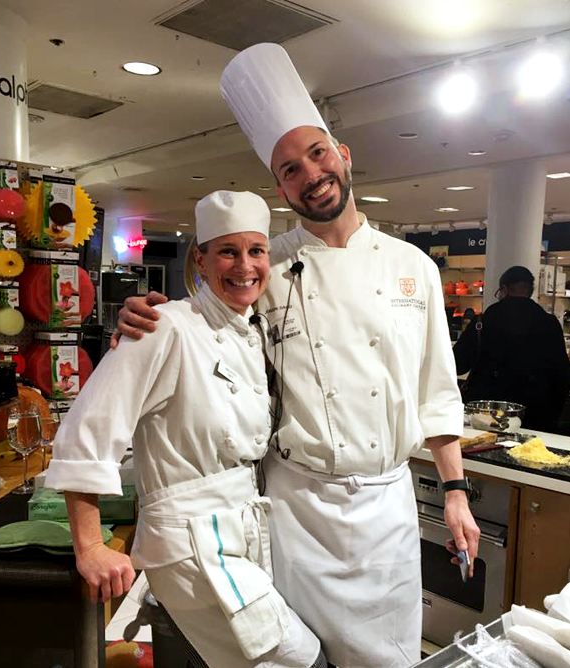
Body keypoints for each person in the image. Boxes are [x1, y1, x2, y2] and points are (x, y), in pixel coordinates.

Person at [115, 44, 480, 668]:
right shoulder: (268, 265)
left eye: (317, 154)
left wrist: (454, 491)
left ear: (343, 155)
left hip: (387, 504)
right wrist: (143, 315)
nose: (309, 174)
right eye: (289, 169)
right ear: (280, 187)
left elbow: (437, 392)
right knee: (297, 655)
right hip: (295, 506)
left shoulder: (413, 267)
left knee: (388, 658)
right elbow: (206, 331)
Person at [44, 190, 326, 668]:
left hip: (238, 531)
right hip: (193, 543)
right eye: (227, 251)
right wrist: (89, 546)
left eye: (256, 251)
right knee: (301, 659)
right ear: (200, 258)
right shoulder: (164, 326)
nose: (244, 265)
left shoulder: (253, 331)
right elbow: (87, 432)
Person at [454, 265, 570, 433]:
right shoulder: (549, 323)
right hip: (536, 415)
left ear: (504, 289)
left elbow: (459, 363)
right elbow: (562, 374)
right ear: (531, 291)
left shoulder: (483, 321)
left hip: (487, 415)